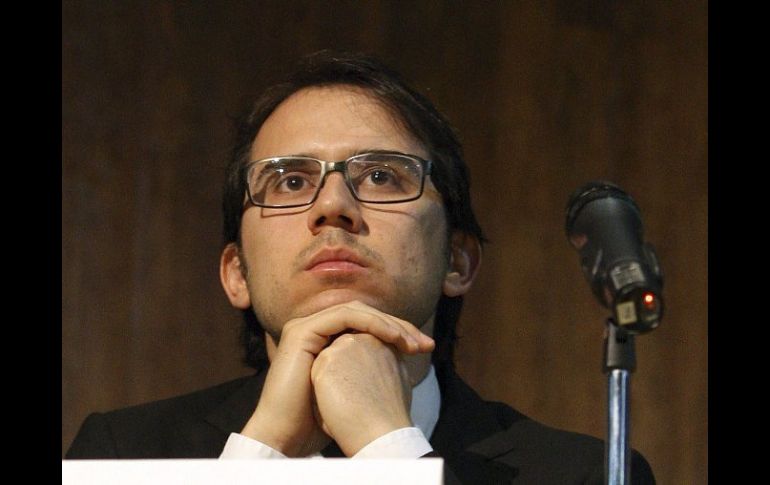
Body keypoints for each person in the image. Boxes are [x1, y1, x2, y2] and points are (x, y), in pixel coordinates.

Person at [66, 50, 655, 484]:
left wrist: (387, 448)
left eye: (380, 176)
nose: (332, 206)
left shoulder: (585, 473)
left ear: (457, 261)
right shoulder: (121, 454)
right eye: (289, 181)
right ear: (236, 273)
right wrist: (260, 455)